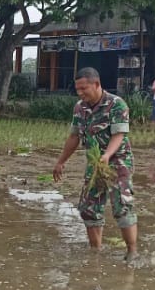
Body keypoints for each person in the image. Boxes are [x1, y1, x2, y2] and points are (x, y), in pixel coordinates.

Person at [52, 67, 138, 263]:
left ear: (97, 84)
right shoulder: (79, 108)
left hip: (118, 162)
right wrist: (61, 162)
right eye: (78, 89)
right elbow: (74, 136)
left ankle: (132, 252)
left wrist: (107, 155)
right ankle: (95, 252)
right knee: (88, 208)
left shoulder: (116, 105)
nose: (80, 93)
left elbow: (119, 135)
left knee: (122, 206)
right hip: (95, 162)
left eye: (84, 88)